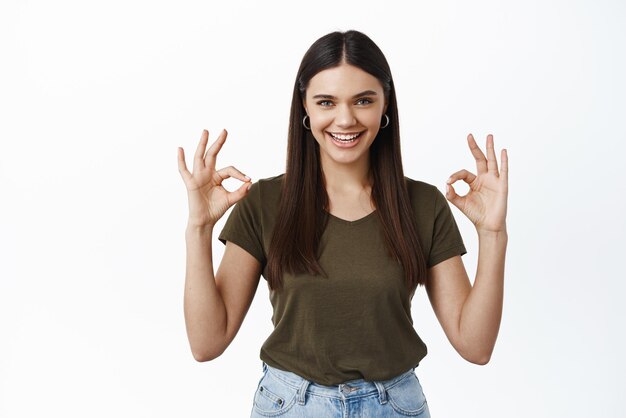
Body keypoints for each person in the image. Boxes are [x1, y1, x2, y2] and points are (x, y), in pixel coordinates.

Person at [177, 30, 508, 418]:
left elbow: (476, 346)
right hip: (291, 405)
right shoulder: (264, 203)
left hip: (394, 406)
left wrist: (492, 234)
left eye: (363, 100)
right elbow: (206, 343)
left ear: (385, 105)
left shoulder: (422, 205)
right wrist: (199, 227)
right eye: (326, 102)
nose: (345, 119)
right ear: (306, 107)